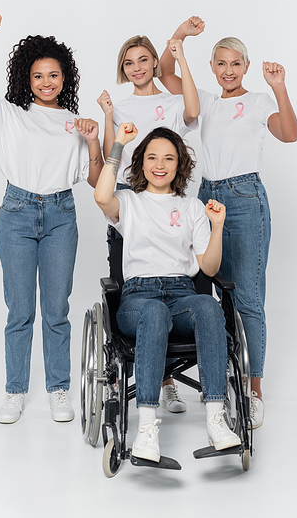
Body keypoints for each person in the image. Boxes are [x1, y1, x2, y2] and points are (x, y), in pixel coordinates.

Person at [0, 11, 103, 424]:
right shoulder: (9, 114)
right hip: (17, 214)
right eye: (39, 76)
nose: (46, 82)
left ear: (66, 78)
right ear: (27, 78)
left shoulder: (75, 123)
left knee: (56, 307)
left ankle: (59, 389)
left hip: (61, 214)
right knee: (20, 309)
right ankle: (15, 391)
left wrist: (93, 141)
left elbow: (95, 180)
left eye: (54, 75)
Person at [159, 17, 297, 429]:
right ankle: (219, 372)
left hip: (244, 198)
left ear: (246, 66)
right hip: (206, 197)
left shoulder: (258, 101)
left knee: (248, 298)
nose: (228, 71)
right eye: (221, 63)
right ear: (212, 67)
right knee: (204, 289)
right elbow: (166, 74)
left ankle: (254, 390)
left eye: (236, 63)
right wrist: (180, 36)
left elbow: (289, 135)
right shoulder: (203, 100)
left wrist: (279, 87)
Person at [94, 123, 241, 462]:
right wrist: (118, 143)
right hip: (138, 297)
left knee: (207, 305)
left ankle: (216, 419)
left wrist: (216, 226)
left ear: (179, 165)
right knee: (154, 312)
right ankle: (147, 428)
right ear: (141, 162)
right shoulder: (129, 201)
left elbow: (210, 269)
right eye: (152, 157)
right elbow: (102, 196)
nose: (160, 165)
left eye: (169, 158)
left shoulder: (192, 207)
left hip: (180, 292)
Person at [97, 34, 200, 413]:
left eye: (143, 60)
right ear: (123, 69)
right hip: (128, 192)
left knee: (170, 275)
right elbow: (114, 152)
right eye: (129, 63)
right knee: (136, 281)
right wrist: (109, 116)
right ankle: (153, 379)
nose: (136, 67)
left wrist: (182, 56)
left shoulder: (171, 102)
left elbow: (192, 112)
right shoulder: (122, 106)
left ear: (155, 63)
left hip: (165, 188)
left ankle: (167, 380)